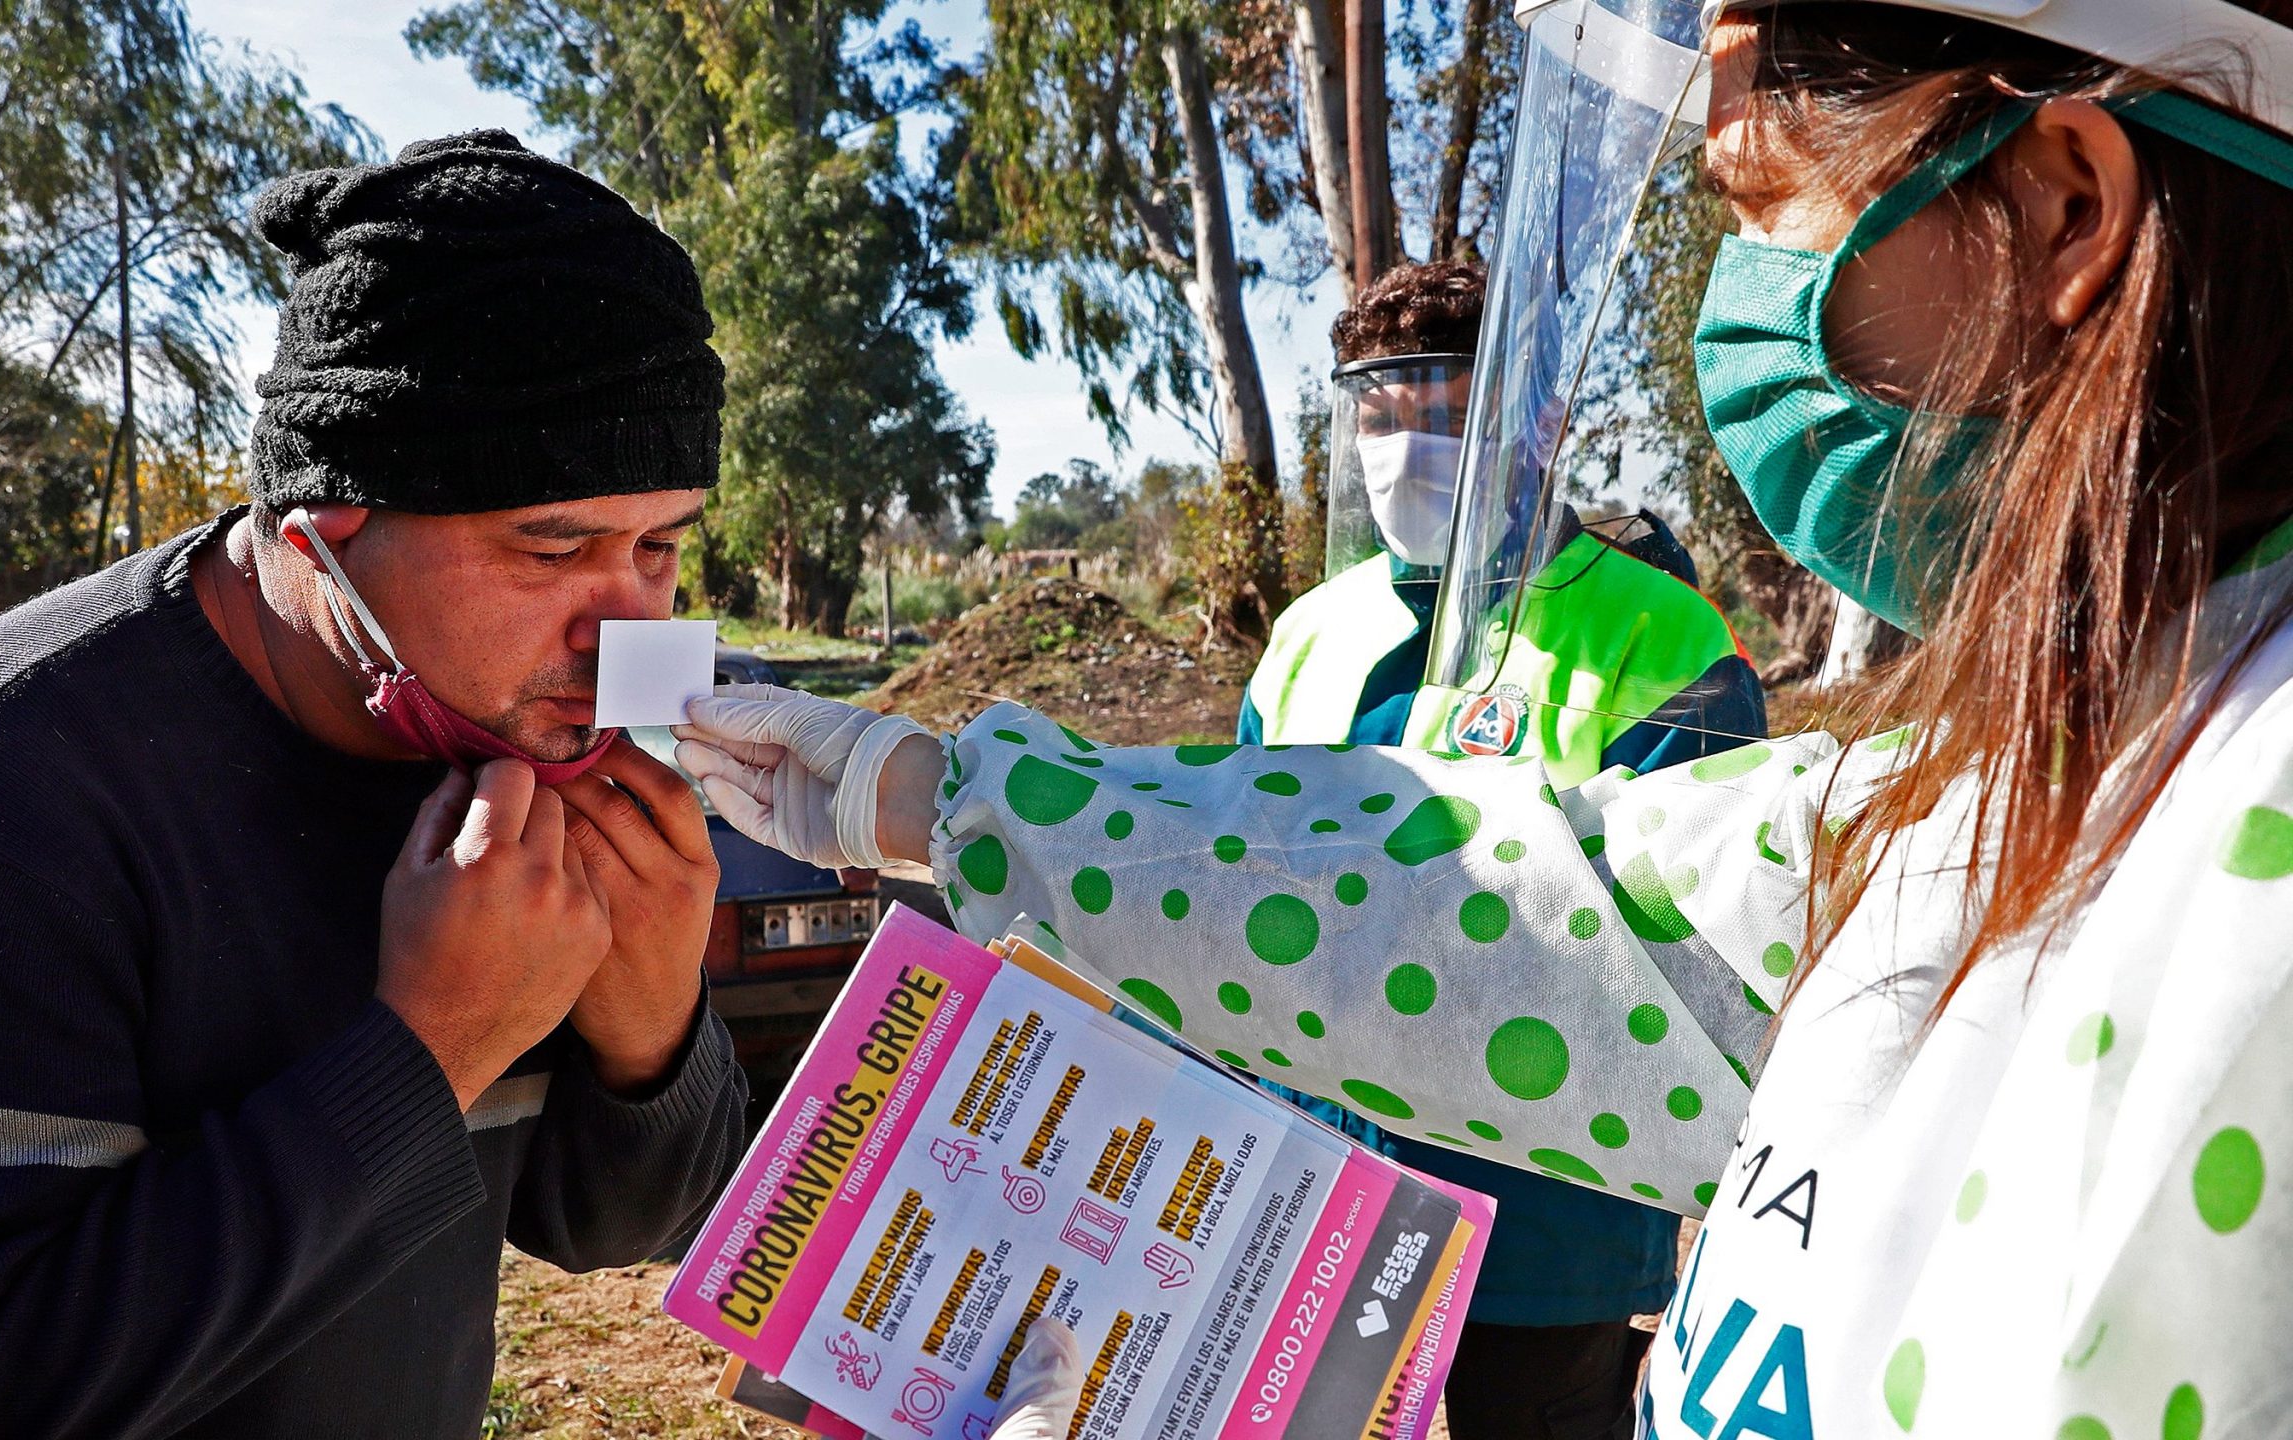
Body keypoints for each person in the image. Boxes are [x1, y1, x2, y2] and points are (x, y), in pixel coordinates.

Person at [683, 2, 2293, 1434]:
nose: (1744, 307)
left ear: (2064, 203)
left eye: (1763, 210)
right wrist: (943, 797)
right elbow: (1525, 904)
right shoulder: (2057, 767)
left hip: (1544, 1259)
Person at [0, 131, 748, 1439]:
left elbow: (617, 1225)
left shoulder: (508, 752)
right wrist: (428, 1048)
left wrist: (651, 1032)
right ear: (324, 529)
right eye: (552, 547)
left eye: (661, 547)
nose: (623, 629)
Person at [1246, 259, 1763, 1439]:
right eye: (1377, 413)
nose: (1398, 447)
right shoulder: (1308, 636)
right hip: (1323, 1176)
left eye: (1438, 410)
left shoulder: (1654, 629)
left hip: (1546, 1208)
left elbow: (1689, 932)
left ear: (1538, 421)